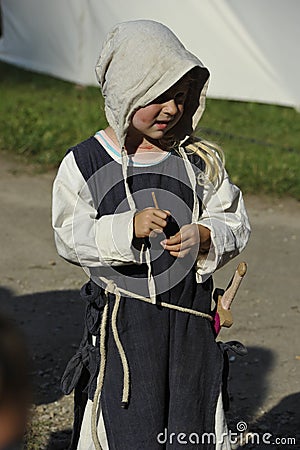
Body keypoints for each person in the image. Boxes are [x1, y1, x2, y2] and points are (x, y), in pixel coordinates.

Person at [52, 20, 251, 450]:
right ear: (126, 92)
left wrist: (206, 235)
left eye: (181, 97)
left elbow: (234, 220)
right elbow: (69, 235)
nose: (172, 109)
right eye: (158, 97)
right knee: (130, 426)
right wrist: (128, 228)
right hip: (125, 328)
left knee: (190, 423)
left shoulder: (198, 161)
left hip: (189, 324)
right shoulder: (85, 164)